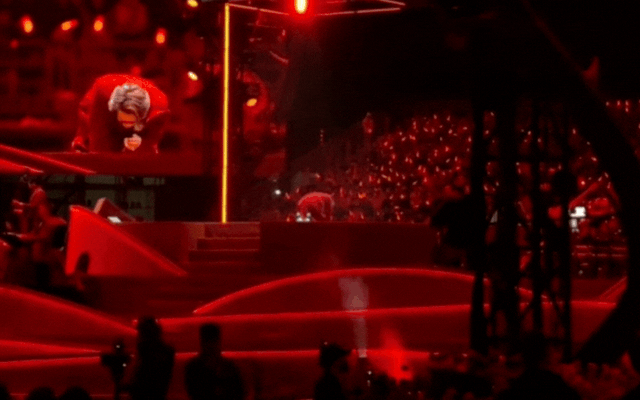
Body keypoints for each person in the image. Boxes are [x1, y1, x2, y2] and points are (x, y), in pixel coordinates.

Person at [71, 74, 169, 153]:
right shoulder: (103, 95)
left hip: (110, 99)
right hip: (105, 99)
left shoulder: (158, 103)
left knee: (102, 158)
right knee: (102, 158)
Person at [184, 323, 244, 400]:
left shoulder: (193, 367)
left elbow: (194, 393)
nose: (211, 346)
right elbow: (239, 392)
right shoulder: (229, 367)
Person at [126, 316, 175, 400]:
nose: (138, 337)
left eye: (140, 333)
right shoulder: (167, 352)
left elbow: (142, 380)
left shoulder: (146, 353)